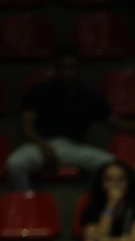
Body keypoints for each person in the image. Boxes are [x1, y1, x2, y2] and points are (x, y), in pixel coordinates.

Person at [5, 48, 122, 191]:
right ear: (56, 70)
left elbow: (117, 123)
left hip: (75, 148)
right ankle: (26, 202)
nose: (68, 73)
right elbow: (26, 125)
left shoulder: (89, 95)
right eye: (63, 68)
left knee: (112, 166)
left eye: (72, 67)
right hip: (40, 145)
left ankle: (97, 202)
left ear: (78, 69)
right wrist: (43, 146)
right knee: (14, 164)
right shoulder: (39, 91)